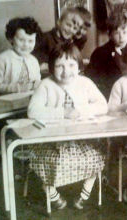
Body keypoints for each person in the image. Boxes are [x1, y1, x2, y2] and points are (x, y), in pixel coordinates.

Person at [28, 44, 108, 210]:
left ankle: (84, 195)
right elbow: (33, 111)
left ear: (79, 66)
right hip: (52, 142)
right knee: (53, 162)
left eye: (71, 65)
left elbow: (103, 106)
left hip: (80, 140)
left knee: (97, 157)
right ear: (51, 68)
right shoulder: (45, 85)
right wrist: (63, 112)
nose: (66, 71)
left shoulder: (85, 83)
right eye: (59, 66)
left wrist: (80, 111)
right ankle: (51, 191)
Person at [0, 17, 41, 94]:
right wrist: (16, 88)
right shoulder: (3, 59)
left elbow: (37, 83)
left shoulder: (34, 61)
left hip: (29, 100)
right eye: (21, 40)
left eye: (30, 41)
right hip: (7, 101)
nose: (26, 45)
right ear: (11, 39)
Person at [85, 12, 127, 98]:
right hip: (109, 95)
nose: (121, 37)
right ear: (110, 35)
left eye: (124, 32)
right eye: (117, 33)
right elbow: (93, 81)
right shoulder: (100, 53)